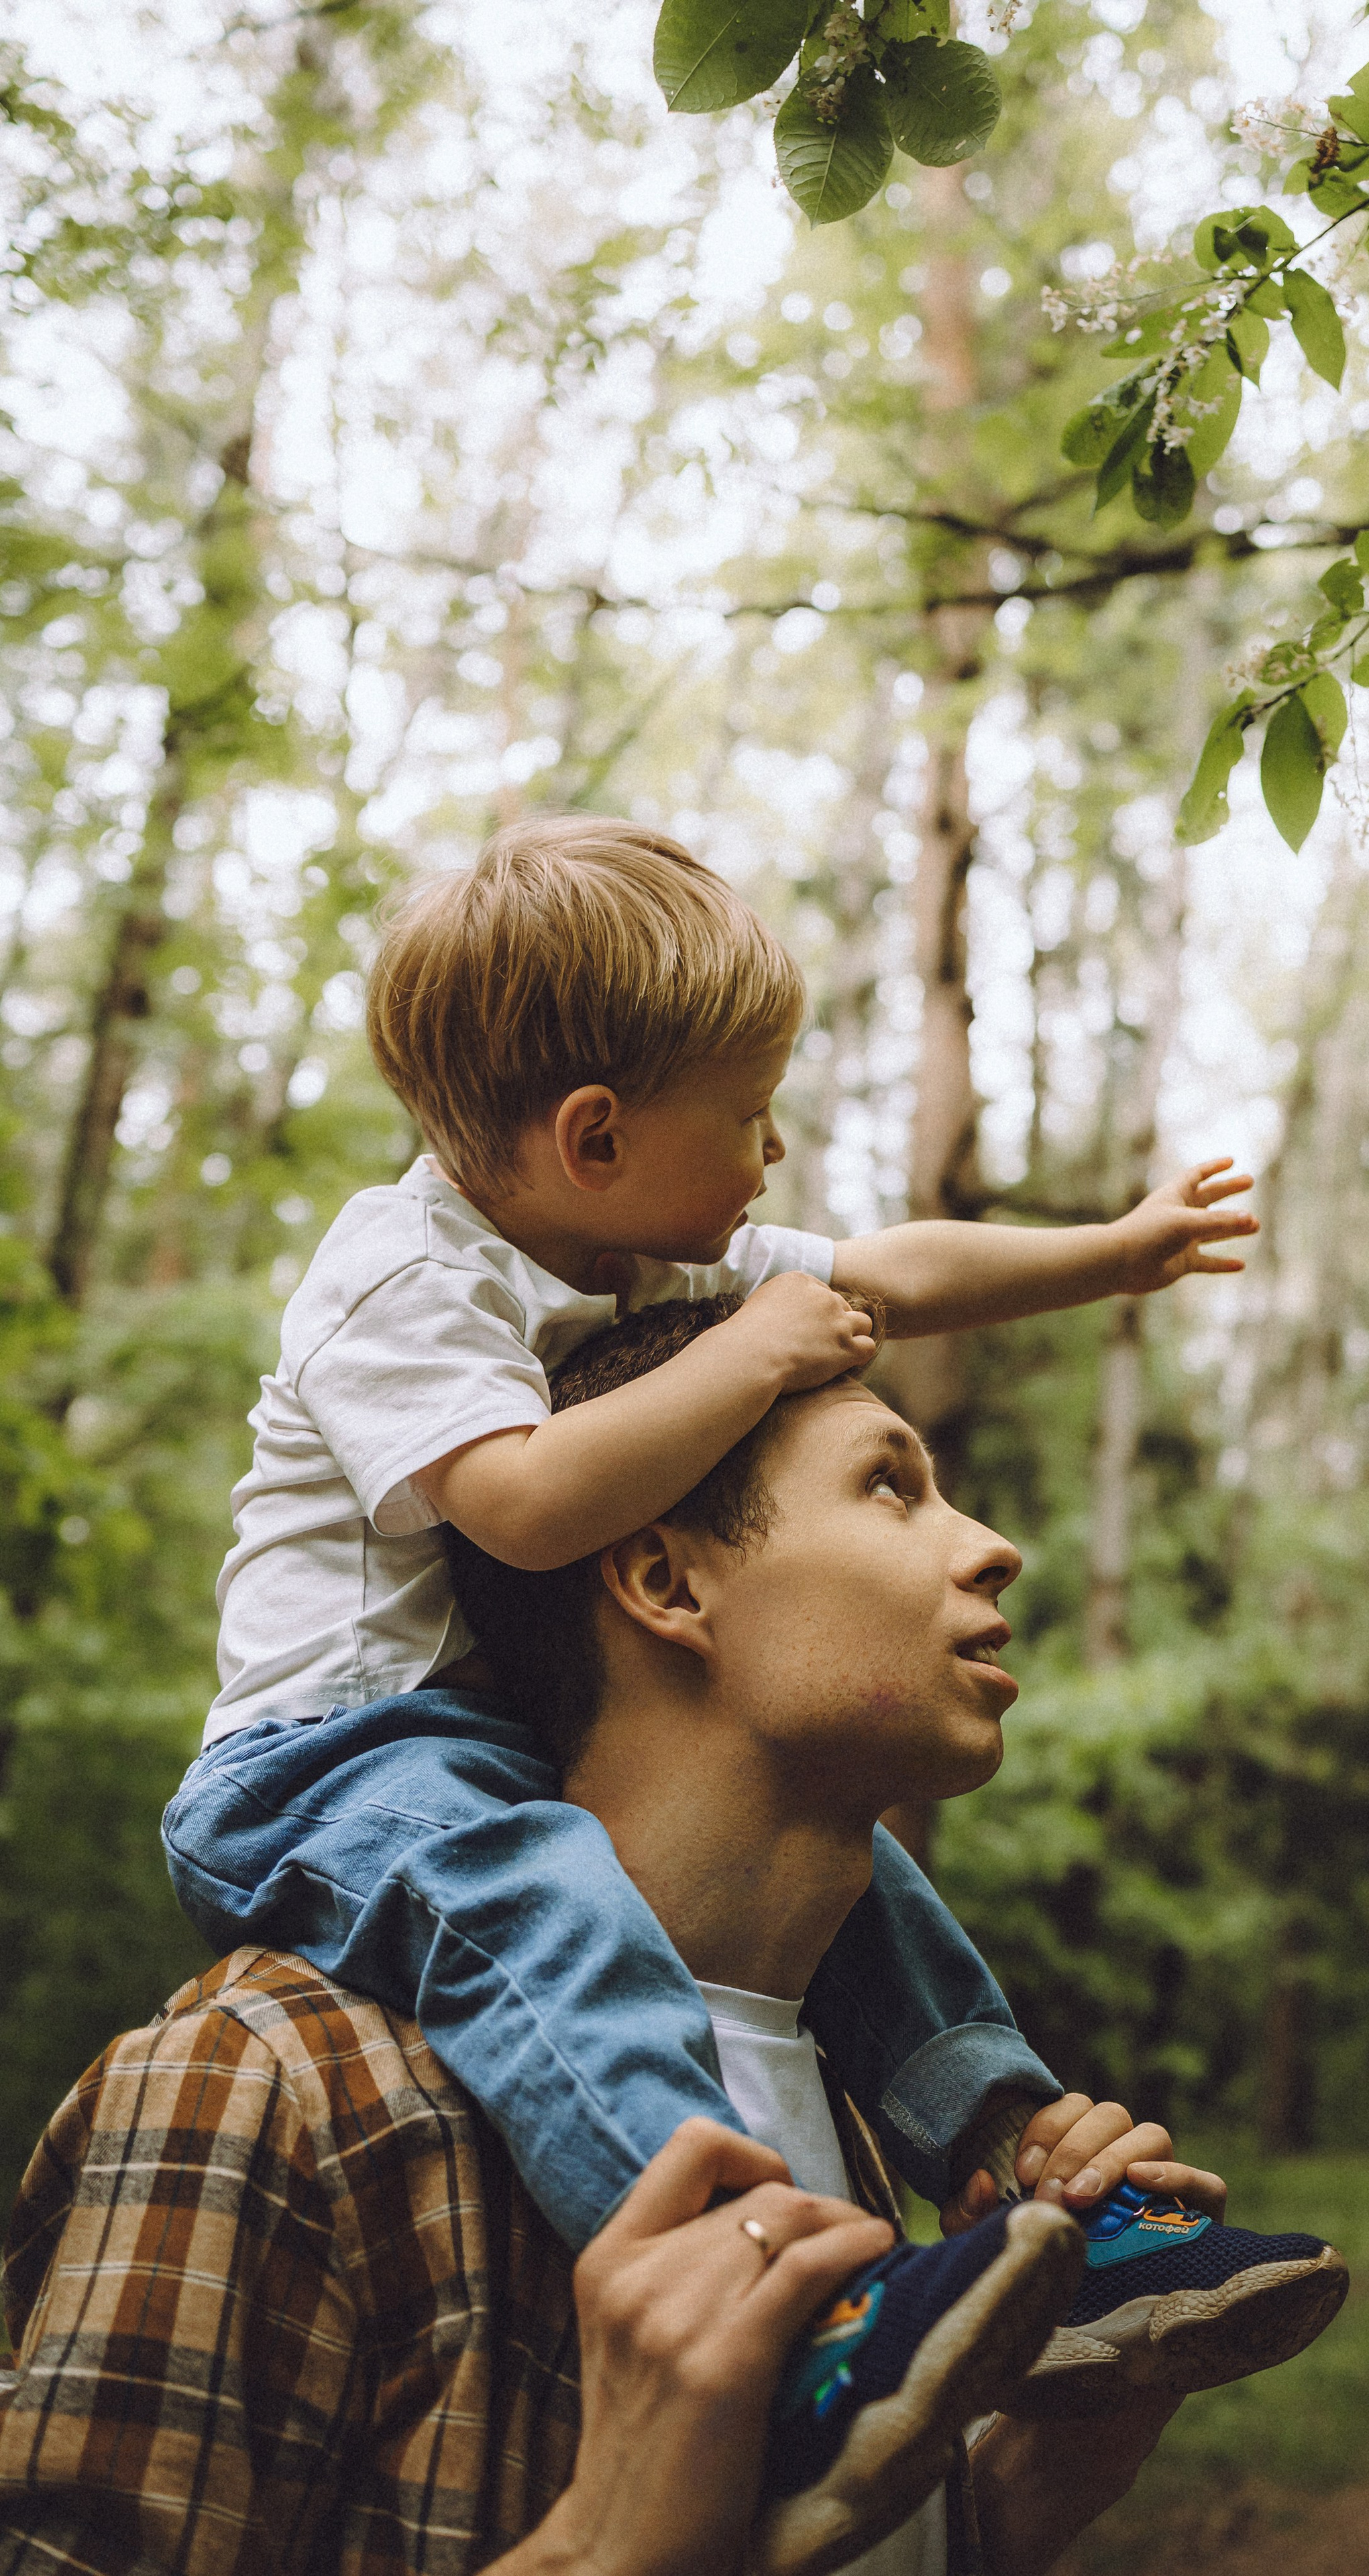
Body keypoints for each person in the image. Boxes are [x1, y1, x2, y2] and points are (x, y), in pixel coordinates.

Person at [160, 814, 1264, 2511]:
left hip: (480, 1735)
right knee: (529, 1897)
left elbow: (891, 1274)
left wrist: (1113, 1256)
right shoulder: (395, 1276)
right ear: (594, 1134)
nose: (767, 1156)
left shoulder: (636, 1247)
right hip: (329, 1757)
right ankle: (774, 2296)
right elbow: (525, 1507)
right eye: (746, 1118)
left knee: (870, 1892)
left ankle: (1033, 2191)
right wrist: (750, 1349)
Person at [1, 1304, 1342, 2576]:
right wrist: (604, 2546)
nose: (991, 1544)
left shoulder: (860, 2118)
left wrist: (1041, 2468)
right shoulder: (272, 2087)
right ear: (663, 1579)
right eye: (891, 1483)